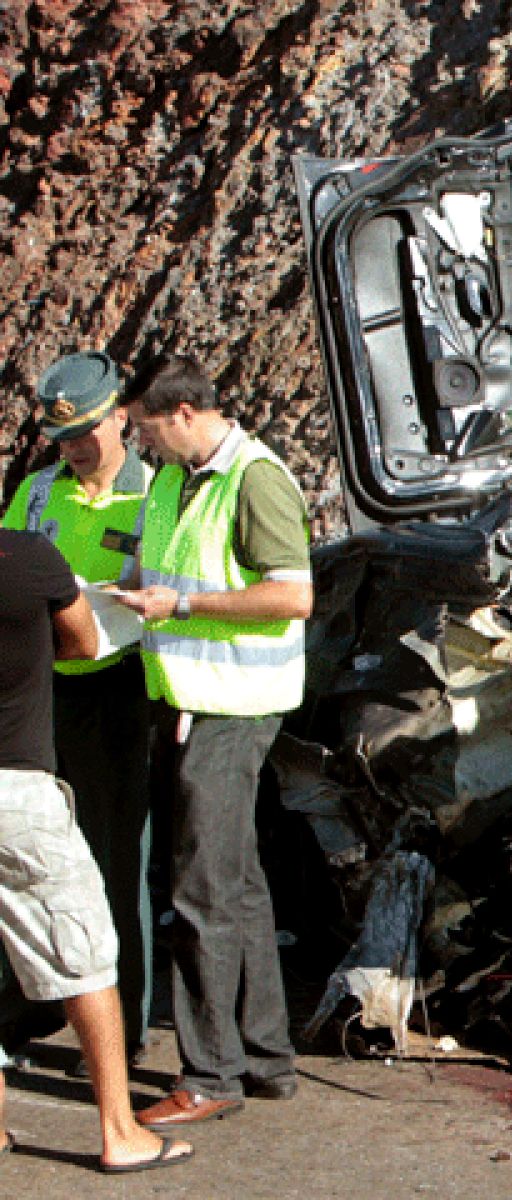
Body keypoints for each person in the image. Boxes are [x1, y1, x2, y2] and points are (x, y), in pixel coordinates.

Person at [114, 354, 312, 1128]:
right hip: (195, 701)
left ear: (187, 413)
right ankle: (264, 1059)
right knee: (237, 884)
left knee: (199, 891)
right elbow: (159, 569)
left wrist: (182, 603)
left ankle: (211, 1076)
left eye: (149, 428)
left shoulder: (255, 477)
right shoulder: (174, 480)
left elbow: (293, 593)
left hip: (235, 706)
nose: (144, 442)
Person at [0, 527, 193, 1172]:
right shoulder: (27, 557)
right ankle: (120, 1131)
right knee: (84, 955)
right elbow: (82, 645)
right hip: (17, 790)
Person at [1, 351, 155, 1073]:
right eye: (63, 437)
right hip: (45, 692)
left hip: (118, 689)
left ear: (120, 412)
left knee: (114, 857)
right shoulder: (35, 493)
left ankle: (124, 1027)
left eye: (88, 431)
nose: (76, 447)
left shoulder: (154, 492)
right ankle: (34, 1005)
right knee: (37, 860)